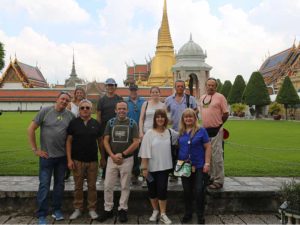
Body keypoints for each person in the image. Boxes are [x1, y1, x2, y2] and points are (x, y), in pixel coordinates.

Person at [28, 92, 75, 225]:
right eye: (62, 99)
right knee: (44, 185)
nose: (64, 102)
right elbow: (31, 129)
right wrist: (35, 150)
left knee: (60, 185)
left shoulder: (70, 116)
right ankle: (41, 214)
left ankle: (57, 210)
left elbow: (74, 136)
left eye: (67, 100)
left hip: (62, 158)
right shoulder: (45, 111)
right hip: (47, 157)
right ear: (57, 99)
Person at [98, 101, 139, 223]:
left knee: (125, 185)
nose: (121, 111)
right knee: (108, 185)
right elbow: (105, 140)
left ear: (127, 110)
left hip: (127, 159)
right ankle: (108, 209)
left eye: (124, 109)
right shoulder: (110, 123)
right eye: (119, 109)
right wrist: (111, 155)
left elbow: (136, 142)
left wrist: (123, 154)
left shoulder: (132, 123)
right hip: (112, 159)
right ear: (115, 110)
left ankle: (122, 209)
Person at [66, 99, 105, 220]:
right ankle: (78, 208)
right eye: (82, 108)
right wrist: (69, 160)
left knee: (92, 186)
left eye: (87, 108)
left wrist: (103, 157)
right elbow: (68, 142)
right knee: (78, 186)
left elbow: (100, 142)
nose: (85, 110)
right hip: (77, 160)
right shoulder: (74, 123)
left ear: (91, 110)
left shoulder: (96, 123)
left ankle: (92, 209)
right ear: (79, 109)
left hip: (92, 160)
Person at [139, 109, 178, 224]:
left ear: (165, 119)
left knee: (162, 190)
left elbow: (183, 136)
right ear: (155, 119)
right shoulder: (149, 133)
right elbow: (144, 152)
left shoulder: (170, 132)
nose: (160, 119)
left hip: (164, 167)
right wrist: (144, 168)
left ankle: (163, 213)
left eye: (162, 117)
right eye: (158, 117)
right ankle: (155, 210)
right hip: (150, 168)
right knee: (152, 190)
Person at [178, 108, 211, 224]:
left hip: (199, 165)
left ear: (194, 118)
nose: (188, 119)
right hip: (183, 165)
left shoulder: (201, 131)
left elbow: (208, 147)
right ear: (183, 119)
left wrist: (207, 163)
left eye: (190, 116)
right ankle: (188, 213)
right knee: (186, 191)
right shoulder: (180, 132)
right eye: (186, 117)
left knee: (198, 190)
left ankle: (200, 214)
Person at [199, 78, 229, 190]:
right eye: (209, 85)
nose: (210, 87)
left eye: (213, 85)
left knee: (217, 156)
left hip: (217, 129)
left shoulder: (220, 97)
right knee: (208, 156)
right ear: (206, 86)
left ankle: (218, 180)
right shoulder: (202, 98)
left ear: (216, 87)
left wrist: (219, 125)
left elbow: (225, 113)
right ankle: (211, 177)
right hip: (205, 130)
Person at [97, 78, 123, 179]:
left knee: (117, 148)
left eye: (112, 85)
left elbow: (122, 112)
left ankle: (118, 171)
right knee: (105, 150)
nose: (110, 87)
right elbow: (99, 115)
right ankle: (105, 171)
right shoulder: (102, 100)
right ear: (106, 87)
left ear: (115, 87)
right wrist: (99, 128)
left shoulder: (119, 99)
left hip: (117, 127)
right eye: (108, 85)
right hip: (105, 128)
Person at [139, 86, 165, 187]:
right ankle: (147, 178)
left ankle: (157, 177)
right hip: (146, 132)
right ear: (150, 94)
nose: (155, 94)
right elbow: (141, 119)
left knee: (155, 156)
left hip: (158, 133)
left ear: (159, 93)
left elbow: (165, 120)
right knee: (145, 156)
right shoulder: (145, 104)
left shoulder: (163, 105)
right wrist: (141, 132)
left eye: (156, 92)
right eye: (153, 92)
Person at [65, 87, 86, 181]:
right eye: (77, 92)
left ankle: (84, 171)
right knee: (69, 149)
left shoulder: (86, 103)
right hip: (72, 128)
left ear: (83, 94)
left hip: (83, 129)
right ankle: (67, 171)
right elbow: (66, 116)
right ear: (75, 94)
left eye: (81, 93)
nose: (79, 94)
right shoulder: (70, 104)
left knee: (83, 149)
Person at [126, 84, 145, 184]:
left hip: (141, 130)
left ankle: (142, 172)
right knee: (132, 152)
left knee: (141, 153)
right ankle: (133, 172)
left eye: (135, 90)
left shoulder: (143, 102)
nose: (133, 92)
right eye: (131, 90)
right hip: (129, 131)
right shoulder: (125, 102)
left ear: (138, 90)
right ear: (129, 91)